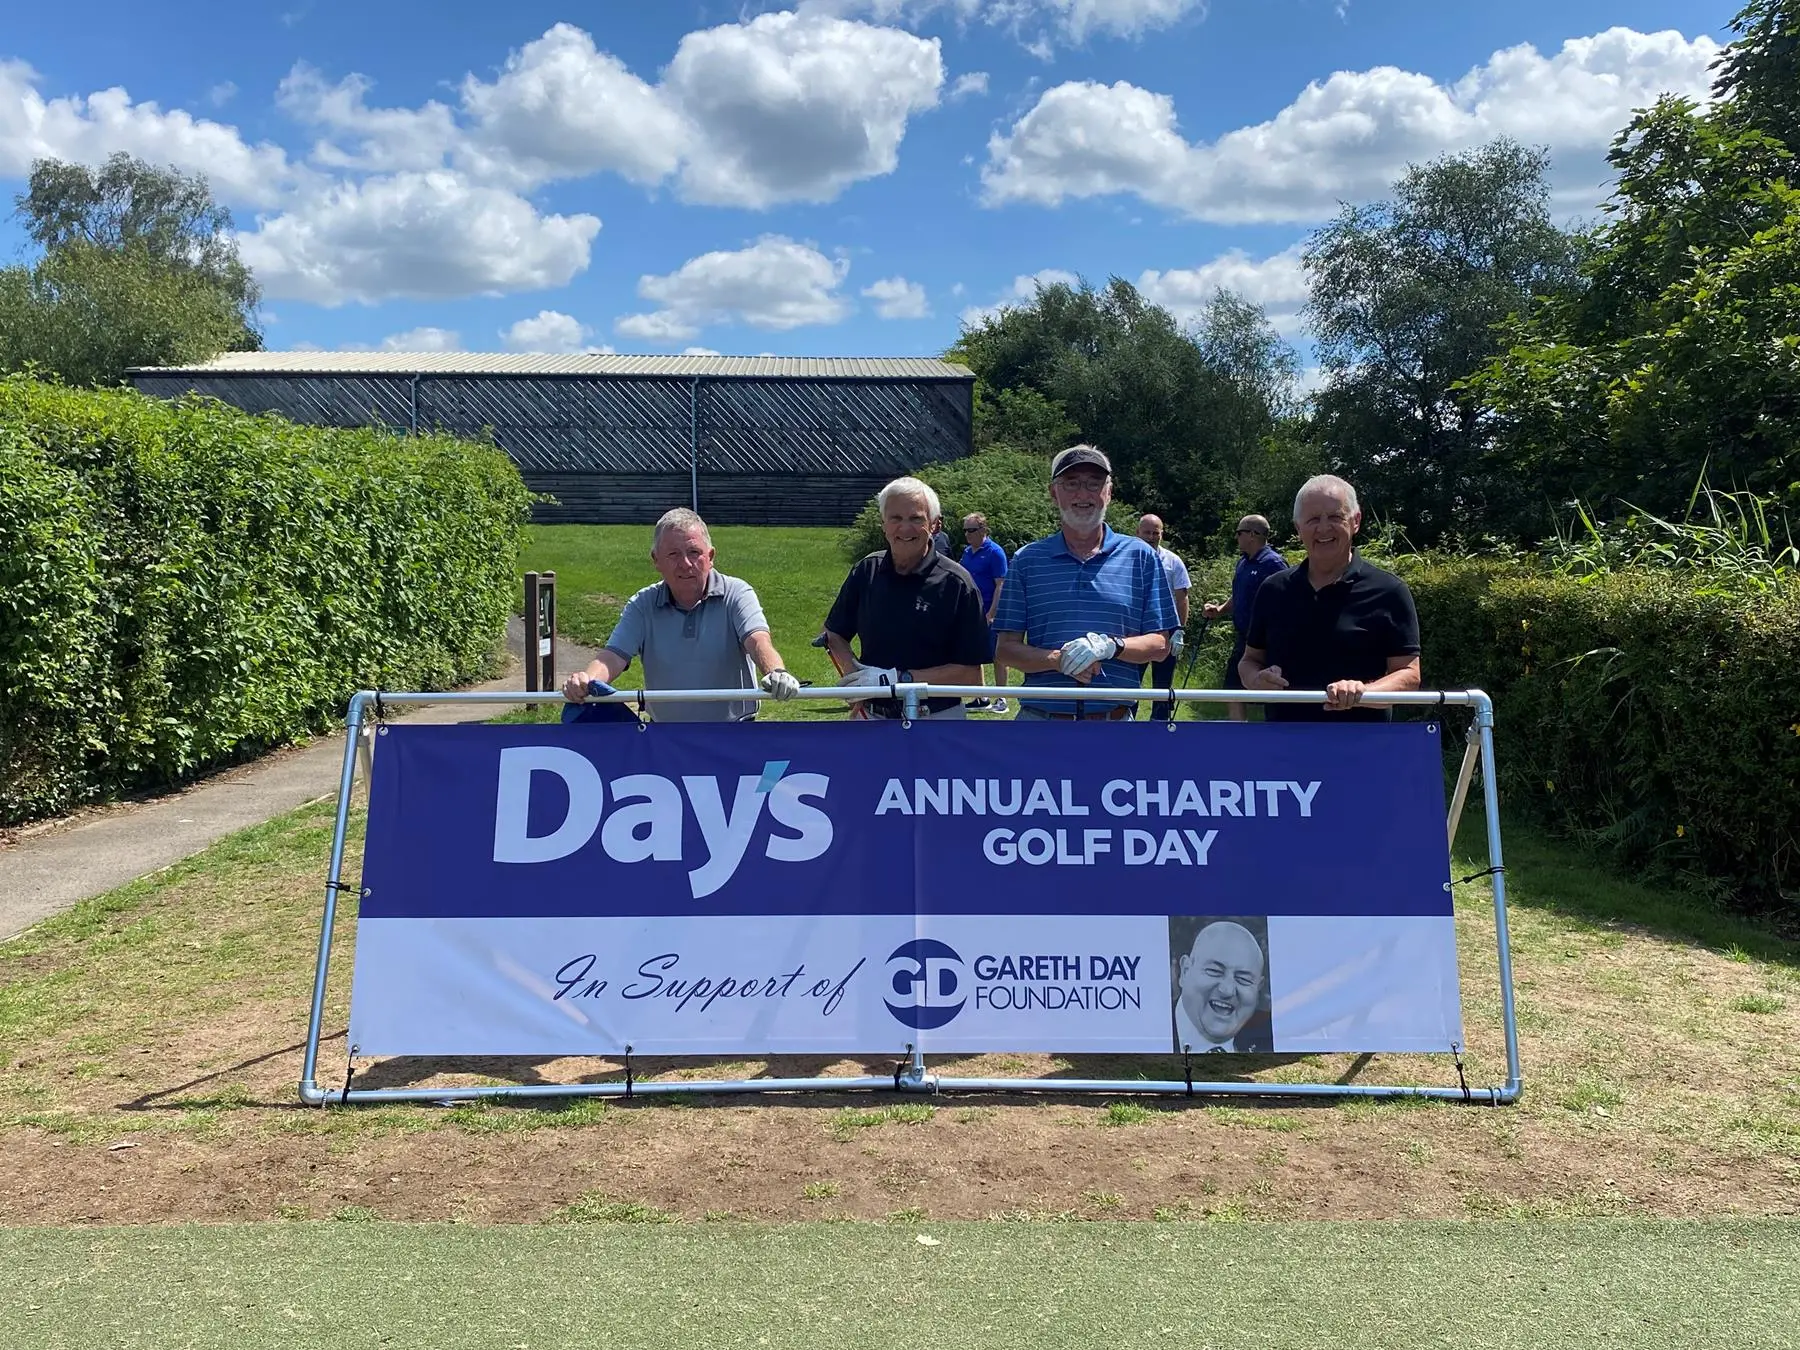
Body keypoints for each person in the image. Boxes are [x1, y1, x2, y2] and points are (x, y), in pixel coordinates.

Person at [560, 508, 800, 721]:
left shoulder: (737, 593)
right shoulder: (643, 603)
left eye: (694, 552)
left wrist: (776, 672)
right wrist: (587, 680)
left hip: (735, 736)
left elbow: (758, 640)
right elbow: (612, 657)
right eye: (673, 555)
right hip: (667, 741)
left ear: (711, 557)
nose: (685, 564)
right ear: (656, 560)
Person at [994, 446, 1178, 721]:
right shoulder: (1027, 560)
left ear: (1109, 492)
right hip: (1039, 724)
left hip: (1114, 726)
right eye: (1071, 484)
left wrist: (1111, 646)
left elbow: (1160, 645)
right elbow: (1006, 649)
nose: (1083, 494)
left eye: (1094, 484)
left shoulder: (1141, 557)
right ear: (1053, 493)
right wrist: (1058, 660)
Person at [1238, 475, 1421, 721]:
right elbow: (1249, 660)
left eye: (1335, 517)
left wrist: (1364, 692)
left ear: (1355, 521)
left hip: (1362, 747)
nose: (1323, 528)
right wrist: (1256, 680)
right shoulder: (1273, 589)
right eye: (1313, 519)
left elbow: (1409, 674)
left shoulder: (1389, 590)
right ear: (1298, 528)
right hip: (1283, 745)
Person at [823, 477, 989, 720]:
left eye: (916, 518)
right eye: (896, 518)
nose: (904, 528)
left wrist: (897, 680)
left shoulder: (957, 583)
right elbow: (834, 634)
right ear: (883, 524)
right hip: (871, 718)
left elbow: (971, 676)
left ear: (935, 525)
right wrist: (856, 676)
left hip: (936, 720)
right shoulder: (866, 570)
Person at [1202, 514, 1288, 722]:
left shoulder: (1273, 563)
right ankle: (1237, 731)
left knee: (1270, 688)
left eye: (1239, 533)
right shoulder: (1243, 562)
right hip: (1244, 638)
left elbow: (1289, 599)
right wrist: (1220, 609)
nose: (1236, 537)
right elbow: (1239, 594)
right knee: (1232, 688)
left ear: (1252, 534)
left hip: (1268, 641)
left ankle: (1273, 734)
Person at [1172, 918, 1273, 1054]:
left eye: (1243, 979)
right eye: (1214, 971)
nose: (1227, 990)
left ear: (1258, 987)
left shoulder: (1271, 1039)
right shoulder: (1142, 1033)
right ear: (1185, 971)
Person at [1135, 514, 1190, 721]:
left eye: (1155, 533)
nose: (1151, 537)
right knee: (1131, 682)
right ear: (1137, 533)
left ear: (1162, 534)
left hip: (1166, 633)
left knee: (1163, 684)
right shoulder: (1125, 559)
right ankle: (1126, 724)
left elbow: (1182, 597)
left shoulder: (1173, 561)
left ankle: (1160, 726)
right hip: (1134, 633)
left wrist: (1179, 630)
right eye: (1147, 532)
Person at [959, 512, 1011, 714]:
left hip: (990, 611)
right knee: (975, 655)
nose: (967, 535)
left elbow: (1001, 585)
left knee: (998, 655)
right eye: (965, 530)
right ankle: (981, 697)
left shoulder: (994, 552)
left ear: (983, 530)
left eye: (971, 530)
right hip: (971, 611)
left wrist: (992, 613)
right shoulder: (967, 552)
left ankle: (1002, 699)